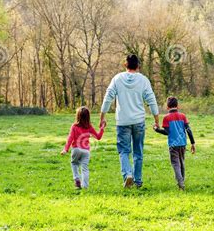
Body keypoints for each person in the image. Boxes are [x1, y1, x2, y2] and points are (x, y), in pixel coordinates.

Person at [100, 54, 159, 188]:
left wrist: (102, 116)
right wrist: (156, 120)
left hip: (122, 122)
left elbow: (108, 97)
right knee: (138, 151)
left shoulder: (117, 78)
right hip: (139, 121)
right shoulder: (143, 80)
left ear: (125, 65)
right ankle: (137, 181)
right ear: (138, 66)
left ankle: (128, 174)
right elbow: (151, 100)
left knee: (124, 151)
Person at [153, 96, 196, 190]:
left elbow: (167, 132)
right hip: (182, 144)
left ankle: (181, 183)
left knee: (176, 164)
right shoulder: (183, 116)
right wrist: (193, 143)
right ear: (177, 106)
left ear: (167, 107)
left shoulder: (166, 118)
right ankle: (182, 182)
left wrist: (157, 130)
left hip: (173, 145)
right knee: (181, 163)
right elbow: (188, 130)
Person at [61, 106, 105, 189]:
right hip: (86, 151)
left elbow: (70, 138)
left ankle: (77, 179)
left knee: (74, 163)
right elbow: (98, 137)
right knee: (85, 169)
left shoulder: (74, 126)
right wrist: (102, 128)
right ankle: (85, 186)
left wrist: (65, 149)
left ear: (77, 116)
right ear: (88, 117)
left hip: (76, 149)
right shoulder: (89, 127)